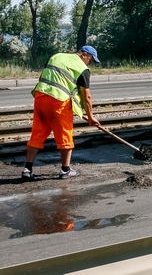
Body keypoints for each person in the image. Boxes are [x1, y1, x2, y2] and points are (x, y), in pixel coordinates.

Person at [21, 45, 101, 181]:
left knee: (37, 133)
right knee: (65, 134)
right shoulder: (83, 68)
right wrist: (91, 117)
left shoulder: (56, 56)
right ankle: (65, 170)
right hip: (59, 102)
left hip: (40, 97)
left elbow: (42, 77)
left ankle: (27, 169)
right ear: (84, 54)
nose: (90, 63)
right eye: (91, 60)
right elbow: (86, 96)